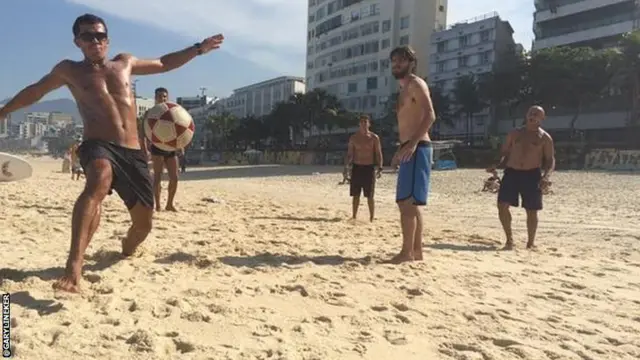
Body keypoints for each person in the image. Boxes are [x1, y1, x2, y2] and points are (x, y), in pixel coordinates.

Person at [0, 13, 224, 292]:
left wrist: (198, 48)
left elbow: (164, 63)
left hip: (132, 152)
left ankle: (127, 249)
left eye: (100, 35)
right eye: (87, 36)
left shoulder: (124, 63)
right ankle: (74, 265)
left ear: (107, 39)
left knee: (143, 225)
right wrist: (4, 111)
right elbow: (35, 92)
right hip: (98, 144)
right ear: (77, 41)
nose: (95, 40)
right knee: (98, 181)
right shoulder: (69, 70)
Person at [387, 46, 436, 264]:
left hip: (418, 147)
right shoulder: (403, 90)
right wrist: (401, 148)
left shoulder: (416, 84)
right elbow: (407, 123)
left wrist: (413, 144)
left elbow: (430, 115)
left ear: (411, 63)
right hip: (409, 147)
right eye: (394, 61)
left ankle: (407, 253)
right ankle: (416, 251)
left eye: (401, 60)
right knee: (408, 203)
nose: (396, 64)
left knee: (407, 203)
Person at [487, 105, 555, 250]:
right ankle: (509, 240)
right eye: (530, 113)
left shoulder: (545, 138)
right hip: (512, 172)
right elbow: (504, 152)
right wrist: (495, 164)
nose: (532, 116)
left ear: (542, 119)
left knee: (531, 210)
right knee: (502, 205)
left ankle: (530, 243)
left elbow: (550, 160)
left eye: (536, 114)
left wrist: (546, 176)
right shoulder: (514, 133)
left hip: (532, 175)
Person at [145, 87, 182, 212]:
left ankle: (170, 204)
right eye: (160, 96)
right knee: (158, 177)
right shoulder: (150, 113)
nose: (163, 98)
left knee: (175, 177)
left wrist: (181, 145)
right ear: (155, 98)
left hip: (171, 147)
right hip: (157, 147)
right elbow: (143, 132)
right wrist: (145, 148)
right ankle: (158, 205)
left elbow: (179, 128)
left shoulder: (172, 112)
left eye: (165, 96)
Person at [345, 114, 383, 221]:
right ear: (359, 124)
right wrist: (346, 168)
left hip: (369, 168)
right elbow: (349, 154)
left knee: (370, 195)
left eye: (366, 122)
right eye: (362, 122)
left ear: (369, 124)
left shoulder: (374, 138)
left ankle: (371, 217)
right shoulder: (354, 138)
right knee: (355, 195)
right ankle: (354, 216)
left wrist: (380, 167)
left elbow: (378, 153)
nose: (364, 124)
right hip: (357, 167)